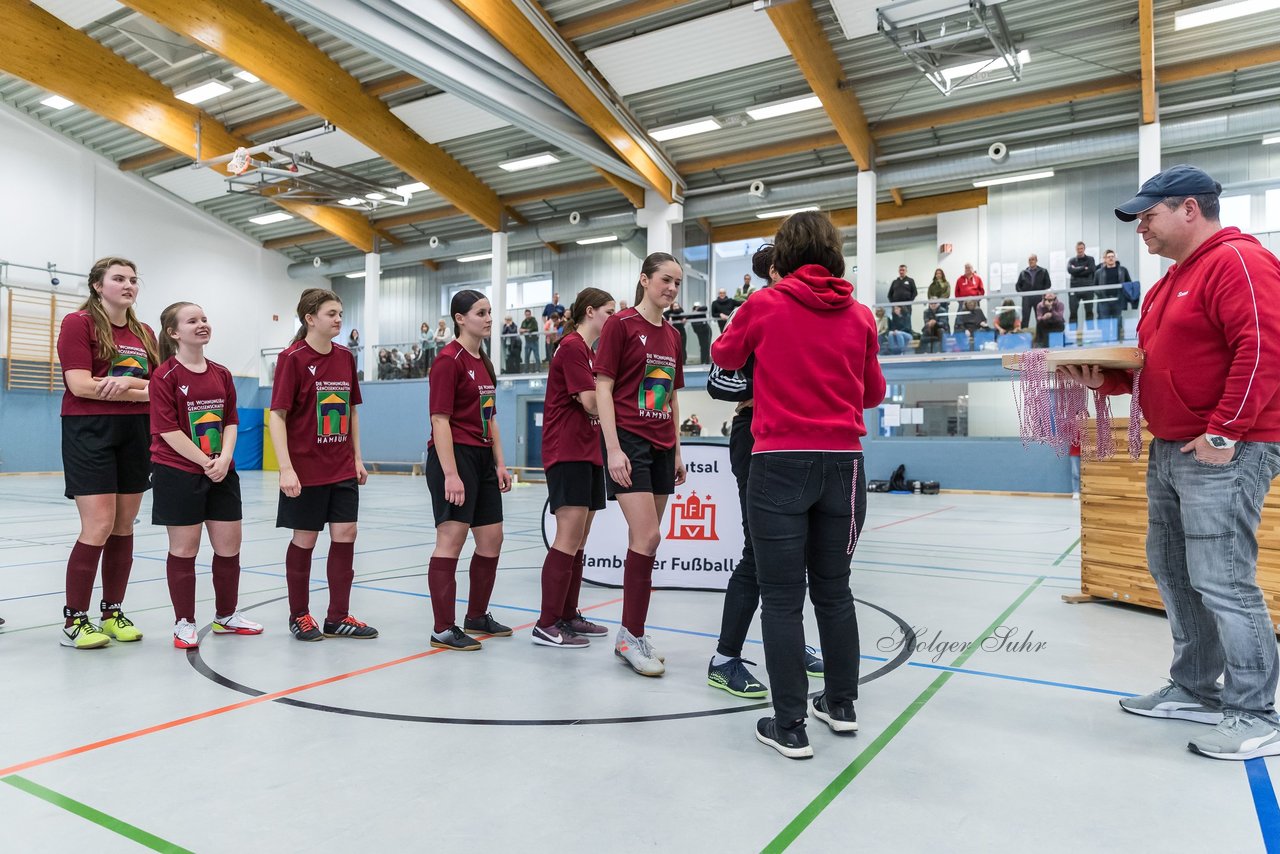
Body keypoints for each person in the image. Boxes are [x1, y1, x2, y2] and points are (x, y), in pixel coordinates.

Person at [1065, 164, 1280, 761]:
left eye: (1148, 215)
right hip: (1175, 444)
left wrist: (1225, 430)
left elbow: (1264, 346)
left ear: (1190, 208)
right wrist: (1105, 380)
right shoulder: (1168, 283)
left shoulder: (1238, 261)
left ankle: (1257, 711)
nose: (1140, 228)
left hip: (1225, 447)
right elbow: (1158, 363)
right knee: (1173, 568)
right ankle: (1195, 687)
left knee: (1223, 578)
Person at [712, 210, 886, 760]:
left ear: (782, 254)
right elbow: (873, 394)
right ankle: (841, 705)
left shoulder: (763, 304)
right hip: (844, 465)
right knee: (835, 591)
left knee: (782, 600)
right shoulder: (859, 314)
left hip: (780, 459)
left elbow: (724, 357)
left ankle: (789, 725)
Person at [56, 256, 158, 649]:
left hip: (136, 430)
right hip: (90, 429)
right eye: (119, 279)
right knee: (98, 524)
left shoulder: (145, 332)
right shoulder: (78, 324)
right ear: (98, 285)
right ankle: (75, 619)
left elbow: (160, 388)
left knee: (124, 525)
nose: (129, 285)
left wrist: (126, 385)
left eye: (133, 279)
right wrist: (134, 386)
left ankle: (112, 612)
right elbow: (80, 384)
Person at [595, 252, 688, 677]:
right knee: (646, 534)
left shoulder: (672, 335)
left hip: (663, 446)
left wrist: (679, 450)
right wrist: (612, 448)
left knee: (648, 541)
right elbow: (603, 387)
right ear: (645, 280)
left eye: (677, 283)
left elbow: (670, 396)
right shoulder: (621, 325)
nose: (671, 288)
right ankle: (630, 635)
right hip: (630, 442)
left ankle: (633, 632)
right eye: (665, 280)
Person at [150, 302, 262, 649]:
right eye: (192, 321)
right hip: (178, 472)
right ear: (173, 333)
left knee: (229, 547)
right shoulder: (164, 376)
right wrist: (205, 461)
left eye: (204, 319)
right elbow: (167, 430)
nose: (202, 325)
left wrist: (225, 458)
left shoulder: (222, 373)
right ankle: (184, 621)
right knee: (185, 549)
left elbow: (230, 420)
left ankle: (226, 615)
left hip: (221, 472)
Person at [270, 288, 377, 642]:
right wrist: (286, 467)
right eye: (331, 313)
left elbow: (351, 411)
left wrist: (357, 457)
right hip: (306, 469)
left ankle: (338, 616)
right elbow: (278, 416)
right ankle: (299, 614)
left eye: (340, 313)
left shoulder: (345, 357)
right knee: (306, 538)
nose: (339, 319)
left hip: (341, 467)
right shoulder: (293, 358)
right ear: (310, 319)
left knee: (346, 534)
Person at [425, 290, 514, 651]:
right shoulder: (448, 360)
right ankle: (443, 628)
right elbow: (439, 420)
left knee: (492, 538)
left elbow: (490, 417)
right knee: (452, 538)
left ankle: (477, 615)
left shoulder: (484, 362)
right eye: (481, 312)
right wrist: (450, 473)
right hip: (455, 456)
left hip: (482, 457)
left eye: (490, 311)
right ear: (460, 319)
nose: (489, 318)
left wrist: (500, 462)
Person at [535, 287, 616, 648]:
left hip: (588, 453)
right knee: (567, 538)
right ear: (590, 312)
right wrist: (619, 395)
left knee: (580, 540)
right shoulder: (571, 348)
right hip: (566, 452)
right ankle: (546, 622)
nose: (613, 318)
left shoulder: (590, 352)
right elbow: (589, 402)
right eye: (609, 311)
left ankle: (568, 614)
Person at [1093, 249, 1132, 339]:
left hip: (1118, 300)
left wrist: (1123, 295)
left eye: (1112, 256)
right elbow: (1095, 286)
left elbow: (1129, 283)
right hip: (1104, 301)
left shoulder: (1122, 270)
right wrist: (1101, 296)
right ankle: (1106, 342)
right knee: (1105, 323)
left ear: (1115, 258)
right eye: (1108, 257)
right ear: (1105, 259)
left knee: (1118, 322)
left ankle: (1119, 342)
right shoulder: (1099, 272)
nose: (1111, 258)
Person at [1015, 254, 1051, 329]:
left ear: (1036, 260)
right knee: (1025, 318)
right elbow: (1018, 286)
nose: (1031, 261)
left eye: (1033, 259)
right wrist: (1023, 294)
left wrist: (1041, 292)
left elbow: (1048, 284)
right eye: (1029, 260)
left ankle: (1041, 336)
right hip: (1027, 298)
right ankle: (1024, 336)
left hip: (1039, 297)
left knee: (1039, 317)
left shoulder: (1043, 271)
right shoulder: (1023, 273)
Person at [1066, 241, 1098, 326]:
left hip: (1088, 289)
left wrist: (1076, 270)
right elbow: (1070, 270)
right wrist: (1084, 268)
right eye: (1078, 249)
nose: (1080, 250)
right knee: (1073, 313)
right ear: (1075, 249)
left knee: (1089, 312)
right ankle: (1072, 334)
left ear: (1084, 249)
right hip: (1074, 290)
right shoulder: (1072, 260)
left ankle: (1090, 333)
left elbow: (1091, 270)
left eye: (1081, 248)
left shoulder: (1090, 259)